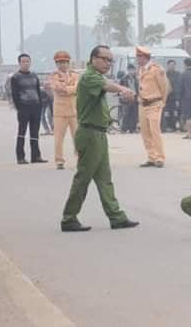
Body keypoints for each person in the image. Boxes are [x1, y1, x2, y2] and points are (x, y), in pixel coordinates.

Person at [60, 45, 139, 232]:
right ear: (93, 58)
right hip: (89, 134)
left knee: (104, 178)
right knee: (83, 178)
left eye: (110, 60)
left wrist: (121, 92)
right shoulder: (89, 76)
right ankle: (69, 218)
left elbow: (105, 88)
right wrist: (122, 89)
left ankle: (116, 216)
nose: (108, 63)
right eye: (105, 59)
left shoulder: (96, 76)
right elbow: (107, 86)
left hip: (98, 134)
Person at [11, 53, 47, 164]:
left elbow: (38, 91)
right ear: (19, 63)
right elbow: (14, 95)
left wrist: (40, 105)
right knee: (22, 132)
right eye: (23, 61)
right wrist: (19, 108)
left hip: (35, 107)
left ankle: (36, 156)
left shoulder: (34, 76)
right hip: (23, 108)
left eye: (27, 61)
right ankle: (20, 157)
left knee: (34, 132)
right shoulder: (15, 77)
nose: (26, 63)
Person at [136, 46, 169, 168]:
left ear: (145, 57)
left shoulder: (156, 69)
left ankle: (160, 157)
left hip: (155, 103)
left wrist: (163, 101)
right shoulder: (140, 70)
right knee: (145, 132)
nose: (137, 59)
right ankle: (151, 157)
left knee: (155, 131)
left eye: (139, 57)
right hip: (142, 104)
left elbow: (164, 87)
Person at [48, 51, 79, 170]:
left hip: (74, 110)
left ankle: (80, 158)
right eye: (60, 62)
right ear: (56, 64)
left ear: (68, 63)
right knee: (59, 138)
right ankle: (59, 161)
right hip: (60, 112)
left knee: (78, 137)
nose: (63, 65)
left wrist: (67, 89)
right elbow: (58, 88)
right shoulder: (54, 76)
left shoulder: (75, 75)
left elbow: (78, 88)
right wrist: (70, 89)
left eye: (65, 62)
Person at [163, 60, 183, 132]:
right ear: (167, 65)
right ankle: (167, 126)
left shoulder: (178, 74)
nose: (172, 66)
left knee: (175, 112)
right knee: (166, 113)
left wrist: (178, 97)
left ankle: (174, 126)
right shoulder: (164, 74)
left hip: (175, 97)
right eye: (170, 65)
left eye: (173, 65)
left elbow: (179, 86)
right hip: (166, 98)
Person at [119, 64, 139, 133]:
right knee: (126, 114)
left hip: (135, 97)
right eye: (130, 70)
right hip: (127, 98)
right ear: (128, 70)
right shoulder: (123, 79)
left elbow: (138, 88)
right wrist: (122, 97)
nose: (132, 71)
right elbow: (120, 88)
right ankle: (124, 129)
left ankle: (132, 128)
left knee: (134, 114)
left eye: (133, 70)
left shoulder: (136, 78)